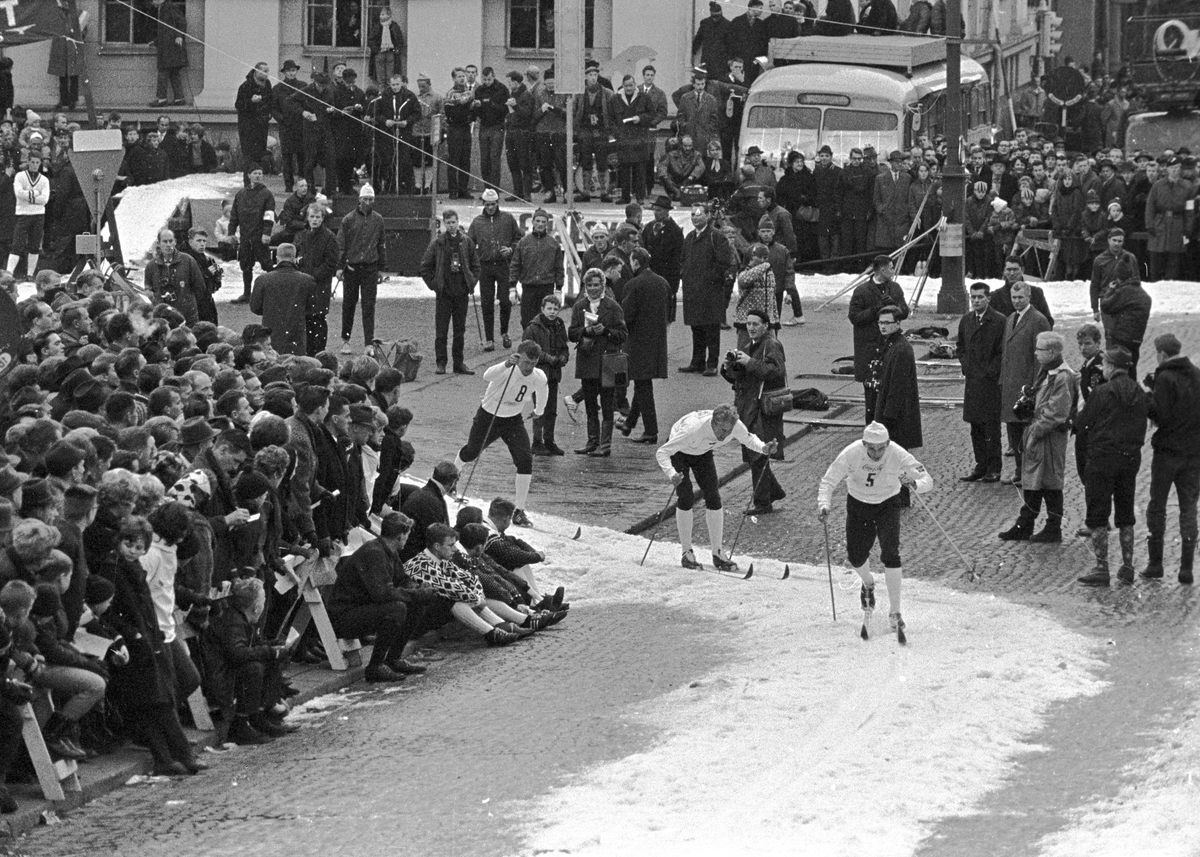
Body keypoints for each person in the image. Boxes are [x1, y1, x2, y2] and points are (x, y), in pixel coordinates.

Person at [817, 422, 933, 640]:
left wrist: (915, 485)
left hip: (888, 503)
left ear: (888, 444)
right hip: (859, 504)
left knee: (891, 553)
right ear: (864, 444)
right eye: (871, 449)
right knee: (856, 555)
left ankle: (895, 611)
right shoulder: (851, 453)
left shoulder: (897, 453)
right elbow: (828, 481)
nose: (876, 453)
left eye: (881, 449)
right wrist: (824, 504)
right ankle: (868, 583)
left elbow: (928, 479)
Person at [657, 404, 777, 572]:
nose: (724, 435)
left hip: (703, 453)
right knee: (686, 497)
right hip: (679, 452)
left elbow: (748, 439)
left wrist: (764, 447)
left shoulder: (734, 426)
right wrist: (672, 474)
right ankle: (686, 552)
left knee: (713, 496)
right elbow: (662, 452)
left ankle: (718, 553)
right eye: (721, 430)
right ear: (712, 423)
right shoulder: (693, 429)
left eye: (728, 431)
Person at [328, 511, 432, 683]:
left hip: (361, 610)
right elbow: (382, 593)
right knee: (397, 608)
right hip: (344, 616)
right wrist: (415, 593)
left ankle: (394, 658)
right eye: (406, 535)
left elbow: (402, 579)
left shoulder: (388, 549)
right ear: (400, 536)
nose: (407, 539)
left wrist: (417, 589)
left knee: (417, 601)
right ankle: (375, 666)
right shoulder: (374, 552)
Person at [453, 343, 548, 527]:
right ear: (518, 357)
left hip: (513, 420)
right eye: (526, 362)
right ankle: (453, 476)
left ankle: (519, 511)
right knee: (472, 452)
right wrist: (505, 363)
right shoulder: (508, 369)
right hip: (489, 416)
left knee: (525, 460)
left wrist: (539, 410)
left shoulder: (538, 376)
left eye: (533, 363)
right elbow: (486, 375)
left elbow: (543, 390)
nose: (529, 367)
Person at [1076, 347, 1148, 586]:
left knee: (1097, 514)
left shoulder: (1102, 392)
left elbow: (1084, 422)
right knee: (1125, 512)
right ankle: (1127, 567)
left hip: (1102, 459)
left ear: (1112, 366)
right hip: (1129, 459)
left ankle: (1101, 567)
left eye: (1105, 364)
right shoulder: (1138, 392)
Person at [998, 331, 1078, 543]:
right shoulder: (1047, 371)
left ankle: (1051, 527)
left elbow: (1057, 412)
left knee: (1050, 482)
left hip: (1050, 438)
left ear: (1052, 352)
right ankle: (1026, 523)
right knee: (1034, 480)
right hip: (1040, 435)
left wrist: (1034, 431)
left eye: (1040, 350)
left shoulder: (1062, 376)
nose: (1036, 353)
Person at [1143, 333, 1200, 584]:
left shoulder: (1165, 377)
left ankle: (1156, 564)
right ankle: (1186, 569)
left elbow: (1160, 415)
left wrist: (1148, 395)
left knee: (1158, 506)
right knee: (1189, 509)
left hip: (1167, 453)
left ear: (1162, 354)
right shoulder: (1197, 373)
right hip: (1194, 453)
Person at [721, 309, 787, 514]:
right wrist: (727, 367)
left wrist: (749, 362)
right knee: (754, 453)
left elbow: (775, 372)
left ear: (766, 326)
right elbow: (739, 378)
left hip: (762, 408)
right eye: (748, 324)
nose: (750, 328)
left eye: (755, 324)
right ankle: (772, 491)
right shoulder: (749, 345)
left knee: (757, 453)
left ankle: (762, 502)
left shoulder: (771, 345)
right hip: (747, 406)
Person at [568, 269, 628, 457]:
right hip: (587, 361)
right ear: (585, 286)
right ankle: (592, 442)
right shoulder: (579, 306)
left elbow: (623, 334)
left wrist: (606, 332)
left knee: (608, 404)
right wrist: (586, 331)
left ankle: (605, 445)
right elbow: (571, 333)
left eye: (596, 285)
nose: (593, 288)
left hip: (607, 362)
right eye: (589, 285)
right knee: (590, 404)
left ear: (603, 285)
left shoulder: (613, 306)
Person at [998, 281, 1051, 486]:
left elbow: (1040, 358)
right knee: (1014, 431)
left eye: (1020, 297)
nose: (1016, 301)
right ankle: (1020, 470)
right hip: (1010, 385)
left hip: (1026, 386)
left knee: (1027, 431)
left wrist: (1035, 387)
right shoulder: (1011, 318)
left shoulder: (1038, 320)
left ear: (1029, 297)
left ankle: (1030, 472)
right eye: (1013, 297)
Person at [420, 207, 480, 375]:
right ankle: (441, 363)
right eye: (448, 223)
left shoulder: (467, 242)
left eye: (454, 222)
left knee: (460, 330)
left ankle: (458, 363)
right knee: (441, 331)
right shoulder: (437, 243)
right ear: (444, 223)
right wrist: (434, 285)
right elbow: (425, 266)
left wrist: (471, 282)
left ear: (458, 222)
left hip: (461, 292)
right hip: (444, 293)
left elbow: (476, 265)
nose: (452, 225)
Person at [618, 247, 669, 444]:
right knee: (643, 383)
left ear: (636, 262)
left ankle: (650, 430)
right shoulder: (662, 282)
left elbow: (626, 316)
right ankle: (630, 423)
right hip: (657, 341)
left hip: (638, 341)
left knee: (642, 384)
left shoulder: (633, 284)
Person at [872, 305, 922, 506]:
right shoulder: (892, 344)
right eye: (880, 323)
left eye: (887, 323)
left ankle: (900, 498)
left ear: (898, 324)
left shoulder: (900, 349)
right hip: (893, 412)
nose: (883, 327)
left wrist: (887, 417)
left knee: (897, 458)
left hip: (897, 416)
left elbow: (898, 386)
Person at [957, 282, 1006, 482]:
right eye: (973, 297)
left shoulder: (999, 320)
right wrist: (966, 365)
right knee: (975, 426)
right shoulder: (966, 320)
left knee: (990, 427)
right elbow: (960, 346)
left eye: (980, 297)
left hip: (990, 382)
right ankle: (981, 465)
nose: (976, 301)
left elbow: (1001, 352)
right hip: (972, 380)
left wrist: (989, 371)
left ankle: (994, 467)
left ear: (988, 298)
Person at [679, 205, 735, 376]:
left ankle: (712, 363)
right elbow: (682, 261)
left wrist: (710, 278)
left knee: (711, 328)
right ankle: (697, 361)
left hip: (710, 291)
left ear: (708, 216)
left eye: (698, 214)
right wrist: (686, 277)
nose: (695, 218)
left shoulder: (715, 236)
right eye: (692, 215)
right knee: (696, 327)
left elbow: (725, 261)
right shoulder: (689, 237)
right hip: (693, 291)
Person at [849, 255, 908, 417]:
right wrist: (876, 309)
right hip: (869, 348)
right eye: (891, 268)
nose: (893, 270)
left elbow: (905, 312)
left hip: (889, 347)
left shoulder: (895, 288)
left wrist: (894, 306)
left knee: (890, 390)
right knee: (872, 396)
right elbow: (854, 317)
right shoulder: (861, 291)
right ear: (881, 270)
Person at [468, 189, 520, 351]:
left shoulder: (507, 219)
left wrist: (511, 249)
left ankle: (504, 332)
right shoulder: (477, 222)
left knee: (505, 301)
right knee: (486, 303)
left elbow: (519, 239)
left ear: (498, 203)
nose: (491, 207)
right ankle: (489, 338)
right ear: (483, 204)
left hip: (504, 265)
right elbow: (469, 243)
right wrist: (475, 258)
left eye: (493, 204)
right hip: (485, 266)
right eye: (488, 204)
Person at [337, 183, 387, 352]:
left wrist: (381, 267)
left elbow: (382, 244)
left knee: (369, 306)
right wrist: (339, 266)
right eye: (365, 199)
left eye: (371, 199)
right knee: (348, 305)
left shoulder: (378, 219)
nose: (368, 202)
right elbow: (341, 244)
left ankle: (368, 343)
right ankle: (345, 339)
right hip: (351, 268)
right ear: (359, 200)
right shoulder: (348, 219)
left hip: (370, 268)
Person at [250, 243, 317, 357]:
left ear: (277, 258)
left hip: (271, 333)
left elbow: (255, 307)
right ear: (295, 258)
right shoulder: (307, 280)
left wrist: (269, 310)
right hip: (296, 333)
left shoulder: (263, 280)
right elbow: (312, 308)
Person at [295, 202, 340, 357]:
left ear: (322, 218)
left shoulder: (329, 237)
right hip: (304, 284)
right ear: (308, 218)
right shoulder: (304, 235)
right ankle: (309, 352)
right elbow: (300, 256)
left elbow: (331, 261)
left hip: (319, 285)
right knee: (306, 319)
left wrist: (314, 276)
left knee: (318, 318)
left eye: (317, 217)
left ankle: (319, 352)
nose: (314, 220)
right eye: (312, 216)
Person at [227, 164, 276, 304]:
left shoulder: (267, 194)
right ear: (249, 175)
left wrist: (266, 233)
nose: (258, 175)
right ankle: (247, 293)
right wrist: (231, 232)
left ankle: (272, 292)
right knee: (245, 264)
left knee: (266, 264)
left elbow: (269, 215)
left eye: (260, 173)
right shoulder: (241, 194)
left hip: (260, 235)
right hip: (245, 235)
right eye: (255, 173)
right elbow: (234, 215)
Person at [509, 208, 564, 328]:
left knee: (547, 320)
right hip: (529, 287)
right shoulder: (523, 242)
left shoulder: (553, 244)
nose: (540, 224)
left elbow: (559, 267)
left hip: (547, 287)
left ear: (547, 224)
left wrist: (559, 289)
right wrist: (512, 287)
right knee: (527, 321)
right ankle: (529, 345)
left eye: (543, 222)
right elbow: (515, 264)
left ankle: (545, 346)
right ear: (532, 222)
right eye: (537, 221)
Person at [1144, 156, 1194, 282]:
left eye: (1177, 168)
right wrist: (1149, 225)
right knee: (1156, 260)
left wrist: (1188, 228)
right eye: (1172, 168)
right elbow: (1150, 206)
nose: (1174, 170)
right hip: (1159, 223)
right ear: (1167, 169)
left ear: (1180, 169)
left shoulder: (1188, 187)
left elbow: (1189, 210)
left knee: (1174, 261)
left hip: (1177, 224)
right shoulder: (1158, 185)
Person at [144, 228, 206, 326]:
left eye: (171, 241)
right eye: (165, 241)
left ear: (175, 242)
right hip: (163, 318)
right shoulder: (151, 266)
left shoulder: (188, 261)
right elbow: (148, 288)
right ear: (159, 244)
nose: (168, 244)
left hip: (187, 317)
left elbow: (200, 289)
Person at [372, 74, 420, 194]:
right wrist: (385, 121)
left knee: (405, 160)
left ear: (402, 83)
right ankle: (390, 187)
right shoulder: (383, 96)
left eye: (397, 84)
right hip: (388, 133)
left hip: (404, 132)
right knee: (389, 161)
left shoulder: (409, 96)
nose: (395, 87)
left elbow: (417, 113)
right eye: (393, 85)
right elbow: (376, 113)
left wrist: (407, 121)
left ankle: (408, 188)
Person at [641, 195, 684, 323]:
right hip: (649, 279)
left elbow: (677, 261)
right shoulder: (648, 227)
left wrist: (673, 287)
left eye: (659, 210)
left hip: (666, 281)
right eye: (655, 209)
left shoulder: (675, 231)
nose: (656, 213)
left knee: (665, 320)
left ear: (667, 211)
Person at [1098, 270, 1152, 370]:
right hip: (1137, 339)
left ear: (1119, 278)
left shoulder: (1124, 291)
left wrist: (1110, 290)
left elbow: (1105, 306)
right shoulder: (1144, 294)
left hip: (1121, 339)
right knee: (1131, 369)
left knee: (1117, 368)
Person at [8, 153, 49, 277]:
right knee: (17, 245)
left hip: (38, 215)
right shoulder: (20, 176)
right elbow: (19, 193)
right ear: (28, 162)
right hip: (23, 214)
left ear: (40, 163)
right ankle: (9, 273)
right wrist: (36, 193)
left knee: (34, 246)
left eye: (37, 163)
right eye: (32, 162)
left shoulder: (44, 179)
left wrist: (28, 195)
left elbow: (45, 199)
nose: (35, 165)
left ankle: (30, 274)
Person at [234, 63, 274, 187]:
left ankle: (256, 183)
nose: (266, 74)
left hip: (262, 126)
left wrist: (268, 111)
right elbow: (238, 105)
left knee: (259, 156)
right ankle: (248, 184)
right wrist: (251, 101)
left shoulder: (267, 85)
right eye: (263, 71)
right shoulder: (246, 86)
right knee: (249, 157)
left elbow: (270, 100)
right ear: (256, 71)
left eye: (267, 71)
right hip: (248, 128)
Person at [271, 60, 306, 193]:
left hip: (301, 125)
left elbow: (307, 104)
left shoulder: (303, 86)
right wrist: (282, 119)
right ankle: (288, 184)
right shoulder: (278, 89)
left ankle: (303, 183)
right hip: (286, 127)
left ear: (296, 71)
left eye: (293, 70)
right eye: (288, 71)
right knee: (287, 157)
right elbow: (273, 108)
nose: (291, 73)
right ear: (284, 73)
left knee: (302, 156)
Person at [443, 67, 475, 200]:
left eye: (463, 76)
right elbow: (451, 112)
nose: (462, 78)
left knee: (465, 159)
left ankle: (463, 189)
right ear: (454, 78)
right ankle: (453, 190)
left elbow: (472, 113)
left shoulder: (469, 92)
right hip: (454, 128)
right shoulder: (451, 94)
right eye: (459, 76)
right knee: (454, 159)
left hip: (466, 128)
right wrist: (463, 104)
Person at [149, 0, 188, 107]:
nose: (152, 2)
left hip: (170, 47)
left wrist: (179, 36)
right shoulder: (163, 8)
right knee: (174, 73)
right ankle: (179, 98)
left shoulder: (169, 7)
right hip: (170, 47)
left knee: (163, 71)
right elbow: (165, 30)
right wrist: (156, 41)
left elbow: (182, 22)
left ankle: (162, 99)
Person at [692, 2, 732, 82]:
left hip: (721, 60)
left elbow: (731, 44)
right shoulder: (705, 23)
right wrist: (693, 52)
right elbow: (698, 39)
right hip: (707, 59)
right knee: (706, 81)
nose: (715, 18)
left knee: (720, 83)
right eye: (713, 16)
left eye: (717, 16)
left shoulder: (727, 25)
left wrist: (730, 58)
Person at [368, 6, 406, 84]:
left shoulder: (394, 26)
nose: (380, 16)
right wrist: (376, 50)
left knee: (391, 77)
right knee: (380, 77)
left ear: (389, 15)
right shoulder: (377, 26)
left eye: (383, 14)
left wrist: (396, 50)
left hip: (391, 53)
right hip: (380, 52)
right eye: (380, 14)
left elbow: (399, 40)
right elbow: (371, 39)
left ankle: (389, 93)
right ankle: (382, 93)